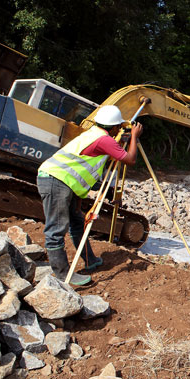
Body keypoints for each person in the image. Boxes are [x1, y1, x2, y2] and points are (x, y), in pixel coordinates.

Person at [37, 105, 143, 285]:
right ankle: (63, 275)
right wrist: (134, 136)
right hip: (56, 180)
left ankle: (91, 260)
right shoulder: (103, 140)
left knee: (77, 222)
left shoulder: (94, 134)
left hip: (64, 182)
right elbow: (130, 159)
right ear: (114, 127)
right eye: (118, 126)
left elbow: (85, 167)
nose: (119, 129)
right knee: (56, 230)